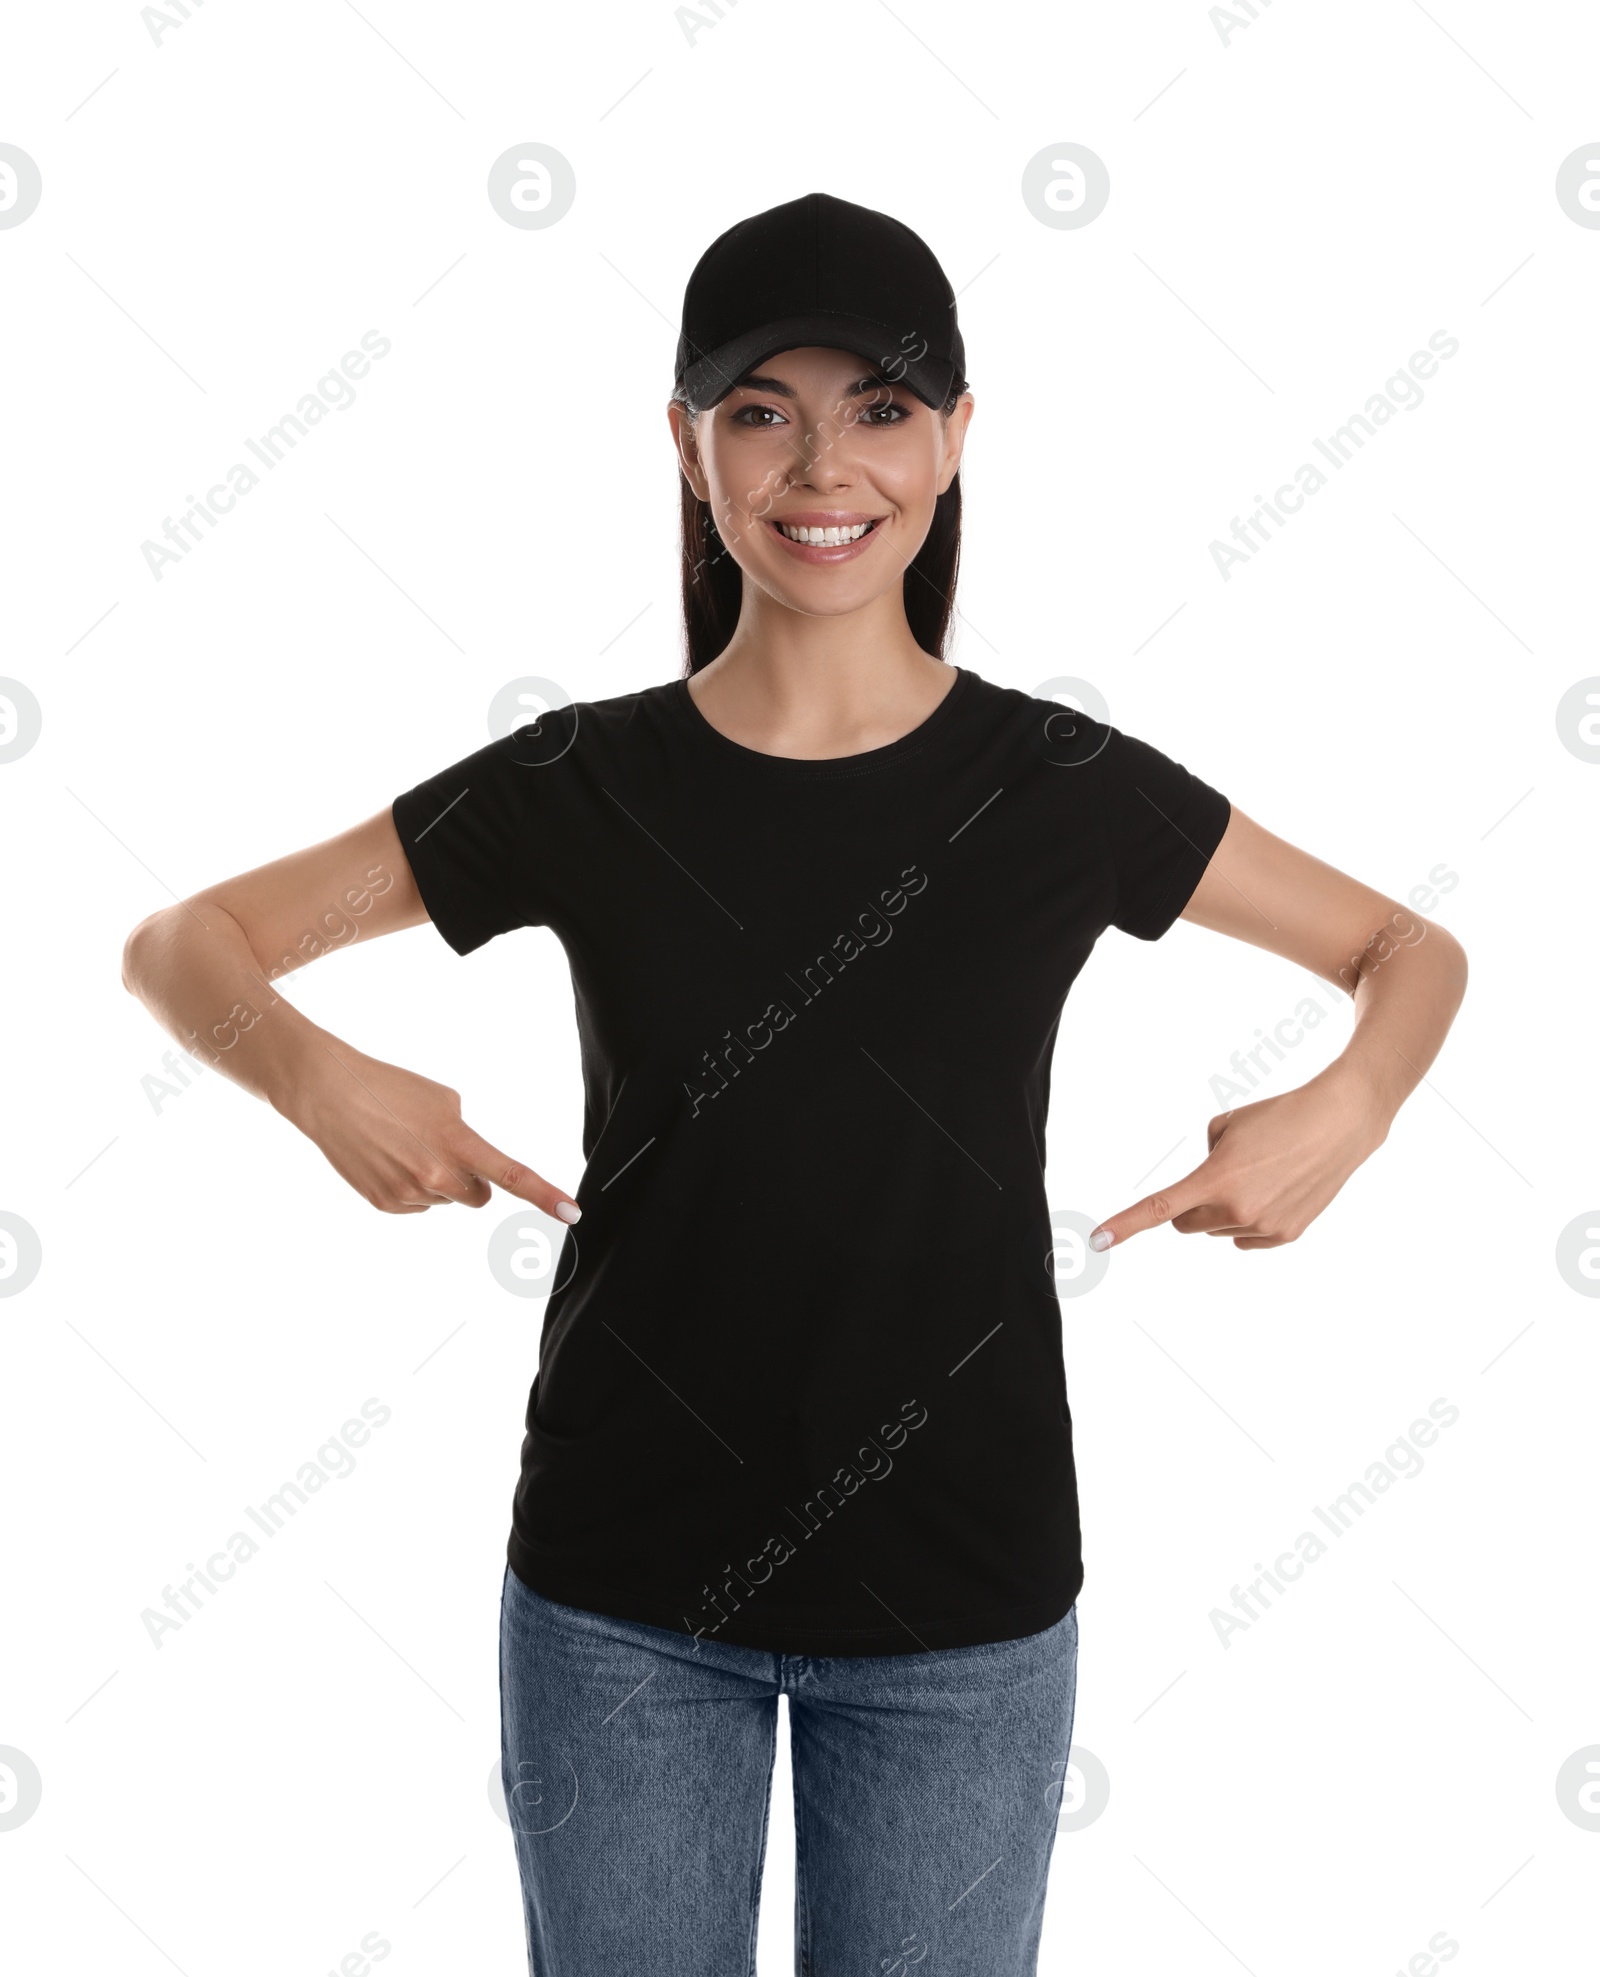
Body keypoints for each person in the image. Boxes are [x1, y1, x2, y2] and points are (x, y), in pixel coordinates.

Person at [121, 191, 1468, 1976]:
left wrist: (1352, 1104)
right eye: (760, 409)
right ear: (685, 445)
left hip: (963, 1603)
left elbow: (1408, 951)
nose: (822, 463)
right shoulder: (577, 786)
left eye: (882, 407)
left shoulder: (1061, 789)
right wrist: (316, 1076)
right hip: (620, 1606)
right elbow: (187, 941)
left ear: (958, 438)